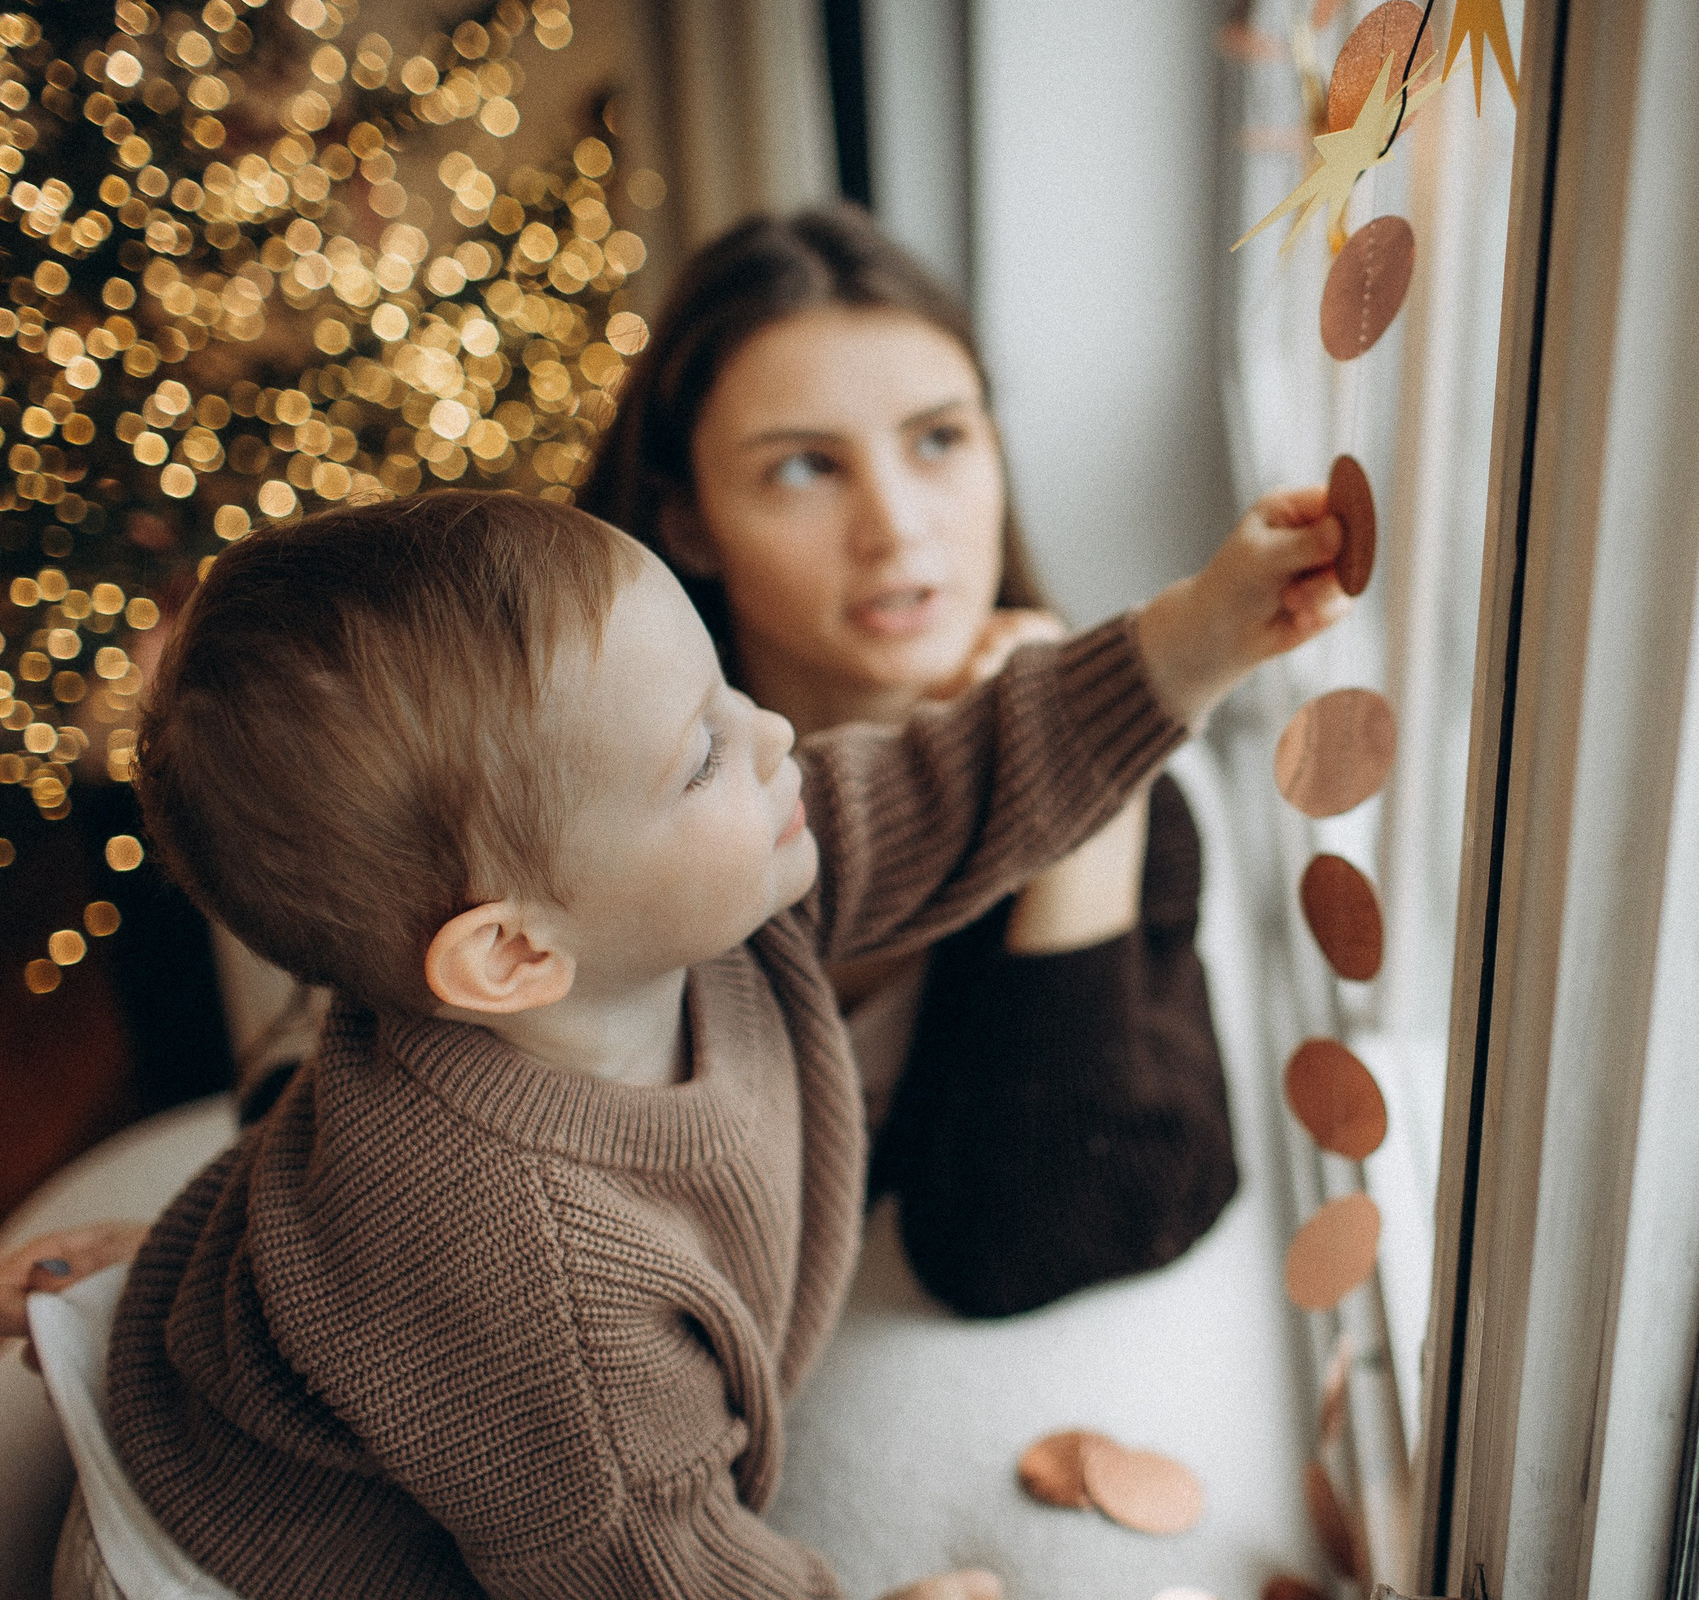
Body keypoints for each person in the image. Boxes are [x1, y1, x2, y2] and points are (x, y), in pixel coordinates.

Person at [18, 485, 1340, 1597]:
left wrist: (1199, 633)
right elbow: (652, 1572)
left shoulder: (700, 902)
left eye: (723, 693)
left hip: (351, 1353)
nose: (773, 737)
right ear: (516, 951)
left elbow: (957, 782)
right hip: (241, 1566)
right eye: (699, 753)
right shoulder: (547, 1282)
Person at [581, 204, 1240, 1318]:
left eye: (939, 439)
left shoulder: (1145, 808)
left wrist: (1081, 777)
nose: (896, 526)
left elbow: (1021, 1239)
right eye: (802, 467)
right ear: (687, 523)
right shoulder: (587, 798)